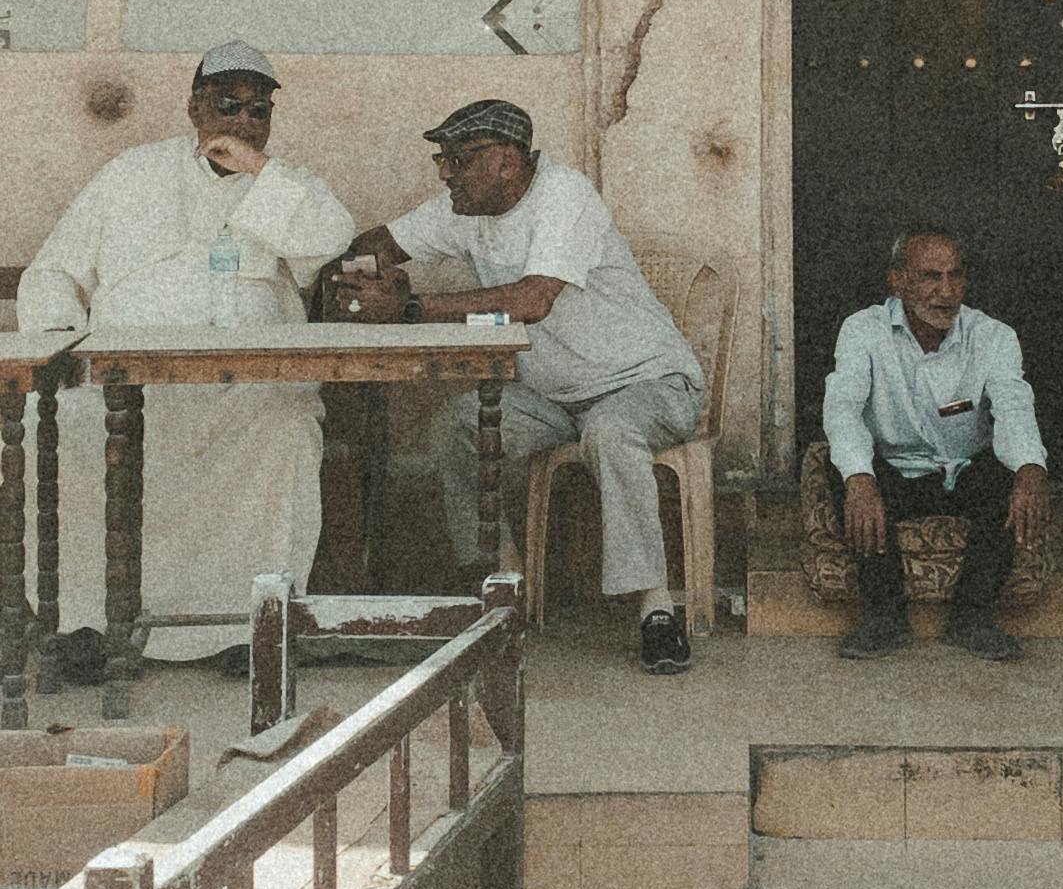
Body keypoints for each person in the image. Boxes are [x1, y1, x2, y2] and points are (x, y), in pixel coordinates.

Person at [327, 99, 702, 676]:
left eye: (461, 159)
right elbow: (377, 242)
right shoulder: (465, 208)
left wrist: (407, 307)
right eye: (442, 160)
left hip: (648, 383)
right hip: (555, 399)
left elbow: (533, 299)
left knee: (610, 431)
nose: (447, 173)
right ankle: (496, 582)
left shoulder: (564, 196)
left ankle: (655, 609)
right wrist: (363, 272)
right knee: (457, 425)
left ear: (507, 161)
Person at [17, 41, 354, 680]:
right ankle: (86, 626)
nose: (244, 123)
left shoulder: (285, 184)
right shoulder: (128, 174)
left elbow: (329, 239)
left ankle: (249, 623)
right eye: (229, 106)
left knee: (287, 429)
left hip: (246, 391)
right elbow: (54, 273)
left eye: (259, 112)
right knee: (46, 429)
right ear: (194, 106)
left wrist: (261, 171)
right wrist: (66, 350)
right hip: (129, 386)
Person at [821, 226, 1050, 663]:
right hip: (895, 469)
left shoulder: (994, 337)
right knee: (843, 468)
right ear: (898, 280)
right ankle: (884, 617)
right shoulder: (862, 330)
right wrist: (860, 478)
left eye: (955, 276)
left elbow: (1014, 407)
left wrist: (1030, 469)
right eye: (930, 277)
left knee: (1013, 473)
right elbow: (843, 408)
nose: (945, 292)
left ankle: (972, 617)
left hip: (962, 469)